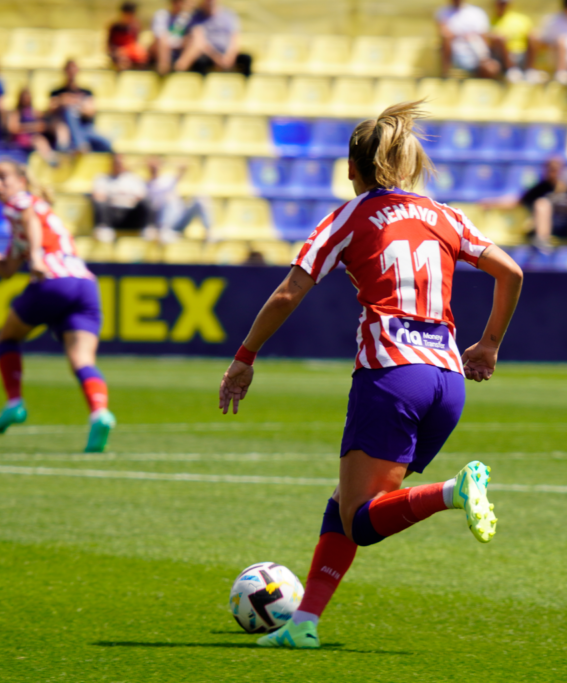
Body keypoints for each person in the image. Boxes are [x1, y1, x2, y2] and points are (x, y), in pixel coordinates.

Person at [218, 101, 523, 649]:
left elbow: (289, 292)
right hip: (447, 381)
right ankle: (303, 625)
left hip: (392, 376)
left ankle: (452, 491)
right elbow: (512, 271)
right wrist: (490, 344)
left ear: (351, 168)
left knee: (360, 519)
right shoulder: (445, 216)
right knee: (347, 504)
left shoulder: (350, 216)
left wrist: (245, 357)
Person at [0, 159, 116, 452]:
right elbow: (6, 269)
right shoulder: (32, 215)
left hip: (54, 280)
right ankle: (100, 413)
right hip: (85, 285)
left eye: (3, 177)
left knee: (7, 338)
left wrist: (35, 256)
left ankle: (14, 402)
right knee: (82, 360)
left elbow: (30, 219)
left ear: (22, 180)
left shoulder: (21, 203)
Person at [48, 60, 113, 154]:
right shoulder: (57, 92)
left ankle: (79, 144)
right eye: (69, 68)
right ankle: (80, 145)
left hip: (85, 129)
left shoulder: (87, 91)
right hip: (66, 129)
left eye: (73, 68)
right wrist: (62, 102)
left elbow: (90, 112)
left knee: (107, 144)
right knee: (70, 111)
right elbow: (50, 109)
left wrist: (74, 103)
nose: (71, 71)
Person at [175, 0, 252, 77]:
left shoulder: (229, 16)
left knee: (246, 59)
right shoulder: (196, 17)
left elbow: (234, 40)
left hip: (226, 54)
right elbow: (200, 42)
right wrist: (216, 58)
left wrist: (229, 57)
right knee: (201, 62)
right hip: (208, 55)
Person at [145, 156, 212, 242]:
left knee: (201, 197)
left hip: (179, 219)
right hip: (160, 222)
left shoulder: (167, 180)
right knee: (168, 199)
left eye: (156, 165)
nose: (155, 168)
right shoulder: (146, 185)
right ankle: (165, 231)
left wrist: (182, 167)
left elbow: (180, 174)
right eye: (152, 166)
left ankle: (209, 232)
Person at [91, 154, 149, 243]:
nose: (118, 165)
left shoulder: (134, 179)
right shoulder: (102, 178)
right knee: (100, 204)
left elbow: (141, 197)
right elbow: (98, 196)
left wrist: (119, 198)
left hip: (130, 215)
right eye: (116, 163)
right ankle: (104, 227)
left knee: (146, 203)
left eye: (120, 163)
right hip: (111, 214)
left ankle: (146, 228)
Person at [436, 0, 500, 79]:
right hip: (458, 55)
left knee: (492, 68)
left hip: (477, 53)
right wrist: (465, 36)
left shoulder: (477, 13)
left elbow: (484, 39)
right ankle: (445, 74)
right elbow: (445, 34)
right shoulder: (443, 12)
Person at [489, 0, 542, 83]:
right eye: (500, 3)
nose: (502, 6)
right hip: (503, 56)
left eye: (504, 3)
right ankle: (512, 70)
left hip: (522, 53)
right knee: (500, 40)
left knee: (532, 38)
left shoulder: (521, 19)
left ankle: (529, 70)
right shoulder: (491, 21)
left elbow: (533, 34)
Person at [6, 88, 58, 165]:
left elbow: (43, 122)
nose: (26, 100)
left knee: (41, 138)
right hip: (21, 137)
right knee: (38, 140)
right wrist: (33, 127)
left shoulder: (33, 111)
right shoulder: (16, 112)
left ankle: (52, 156)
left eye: (28, 97)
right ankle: (50, 159)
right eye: (24, 98)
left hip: (33, 136)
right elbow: (13, 128)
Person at [152, 0, 196, 75]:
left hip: (177, 52)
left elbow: (188, 40)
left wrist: (178, 42)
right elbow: (160, 37)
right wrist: (180, 42)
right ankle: (163, 68)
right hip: (161, 50)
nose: (178, 4)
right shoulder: (161, 15)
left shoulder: (186, 18)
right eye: (176, 1)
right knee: (162, 40)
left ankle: (179, 68)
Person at [108, 2, 149, 71]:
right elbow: (109, 46)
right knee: (122, 59)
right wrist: (120, 51)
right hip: (118, 53)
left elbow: (135, 44)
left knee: (142, 57)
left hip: (130, 52)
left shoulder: (135, 27)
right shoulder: (114, 27)